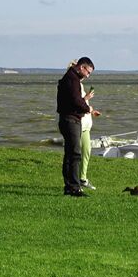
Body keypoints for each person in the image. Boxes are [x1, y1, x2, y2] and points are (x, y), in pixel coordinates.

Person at [56, 57, 94, 197]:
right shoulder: (72, 79)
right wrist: (88, 108)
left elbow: (75, 100)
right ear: (81, 67)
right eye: (88, 72)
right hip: (71, 120)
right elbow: (76, 101)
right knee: (75, 154)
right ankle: (74, 188)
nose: (88, 75)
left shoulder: (71, 78)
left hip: (69, 119)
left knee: (70, 154)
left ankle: (69, 186)